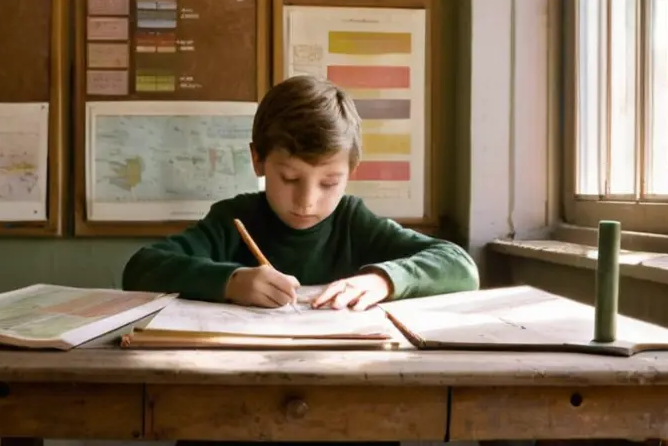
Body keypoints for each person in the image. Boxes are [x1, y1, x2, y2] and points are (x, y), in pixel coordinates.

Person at [121, 74, 480, 446]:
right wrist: (232, 281)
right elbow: (141, 268)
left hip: (347, 411)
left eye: (329, 183)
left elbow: (460, 266)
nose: (307, 201)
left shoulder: (353, 222)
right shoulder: (234, 220)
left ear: (352, 171)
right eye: (290, 178)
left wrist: (383, 279)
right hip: (232, 409)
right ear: (258, 159)